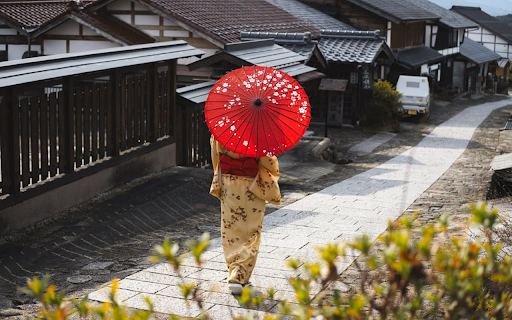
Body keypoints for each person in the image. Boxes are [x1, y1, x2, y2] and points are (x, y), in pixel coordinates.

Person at [209, 136, 281, 295]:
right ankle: (239, 277)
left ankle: (235, 271)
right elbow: (268, 161)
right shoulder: (257, 131)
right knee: (251, 232)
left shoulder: (222, 129)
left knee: (231, 230)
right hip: (251, 185)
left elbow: (216, 156)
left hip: (229, 183)